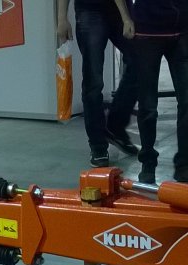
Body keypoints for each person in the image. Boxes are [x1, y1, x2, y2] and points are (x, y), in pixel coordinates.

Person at [57, 0, 140, 168]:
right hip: (90, 10)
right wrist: (62, 18)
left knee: (140, 63)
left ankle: (115, 126)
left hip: (120, 9)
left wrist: (126, 16)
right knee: (93, 81)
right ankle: (98, 144)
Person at [126, 0, 188, 184]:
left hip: (183, 30)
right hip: (147, 32)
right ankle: (148, 163)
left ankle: (185, 165)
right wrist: (126, 18)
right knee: (148, 105)